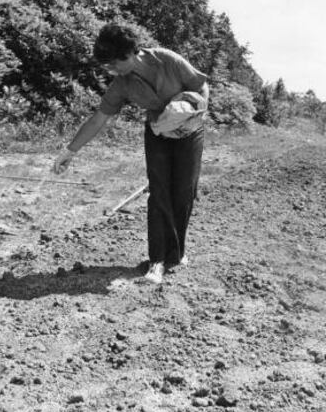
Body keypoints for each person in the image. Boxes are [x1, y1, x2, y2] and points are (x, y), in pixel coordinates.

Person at [53, 23, 209, 284]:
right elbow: (99, 118)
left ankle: (176, 254)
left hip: (190, 132)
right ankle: (156, 260)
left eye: (114, 64)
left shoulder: (168, 60)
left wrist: (193, 113)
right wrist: (69, 152)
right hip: (158, 133)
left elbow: (201, 86)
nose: (111, 70)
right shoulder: (122, 84)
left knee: (184, 192)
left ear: (129, 54)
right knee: (159, 193)